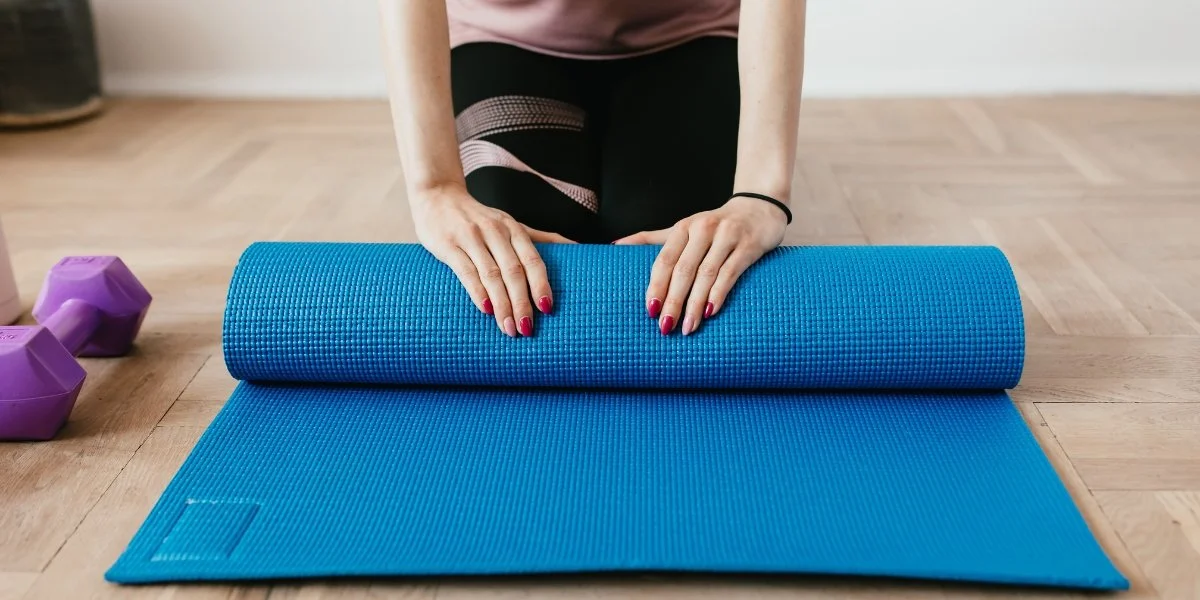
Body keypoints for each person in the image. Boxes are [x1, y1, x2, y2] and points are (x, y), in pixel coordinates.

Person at [378, 0, 805, 337]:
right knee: (522, 247)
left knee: (664, 256)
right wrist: (435, 188)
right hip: (505, 37)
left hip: (690, 34)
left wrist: (760, 195)